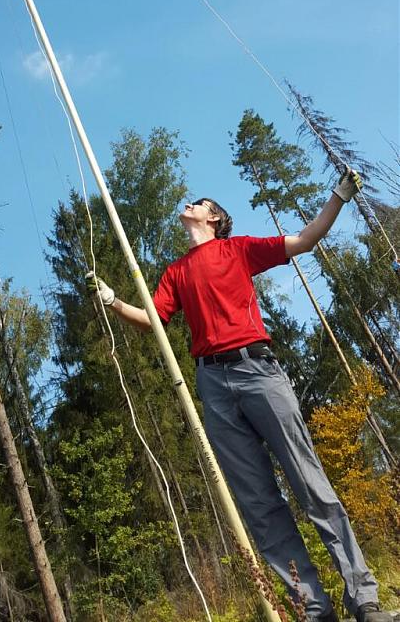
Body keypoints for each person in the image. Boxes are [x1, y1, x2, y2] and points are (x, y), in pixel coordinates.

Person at [86, 168, 393, 622]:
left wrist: (339, 196)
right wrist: (113, 300)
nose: (190, 204)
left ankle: (364, 599)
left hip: (258, 371)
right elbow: (153, 321)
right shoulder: (176, 272)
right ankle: (315, 612)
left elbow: (305, 240)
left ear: (214, 218)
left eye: (199, 202)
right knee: (260, 506)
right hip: (213, 386)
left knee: (310, 484)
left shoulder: (239, 249)